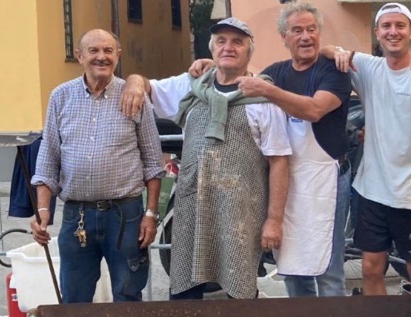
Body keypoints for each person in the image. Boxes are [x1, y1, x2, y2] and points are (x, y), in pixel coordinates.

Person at [121, 17, 291, 300]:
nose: (229, 47)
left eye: (238, 42)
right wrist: (135, 84)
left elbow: (279, 162)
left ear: (249, 52)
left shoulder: (262, 97)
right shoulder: (190, 85)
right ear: (211, 50)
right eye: (221, 41)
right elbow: (146, 85)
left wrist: (274, 220)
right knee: (184, 298)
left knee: (241, 296)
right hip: (192, 211)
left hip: (240, 215)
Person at [327, 2, 411, 296]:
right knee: (371, 267)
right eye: (386, 26)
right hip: (373, 189)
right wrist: (336, 52)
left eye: (400, 25)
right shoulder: (370, 67)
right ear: (377, 33)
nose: (393, 31)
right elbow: (326, 50)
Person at [30, 29, 163, 303]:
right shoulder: (60, 97)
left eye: (108, 51)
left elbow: (152, 162)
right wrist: (42, 210)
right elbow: (48, 158)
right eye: (94, 51)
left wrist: (151, 214)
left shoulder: (135, 97)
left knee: (128, 293)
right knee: (74, 297)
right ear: (79, 56)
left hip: (125, 215)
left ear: (118, 56)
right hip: (77, 214)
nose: (101, 57)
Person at [244, 0, 352, 297]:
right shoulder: (276, 72)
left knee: (328, 268)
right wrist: (210, 66)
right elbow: (241, 84)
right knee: (293, 267)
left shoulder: (335, 70)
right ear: (285, 38)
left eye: (311, 29)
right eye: (297, 31)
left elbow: (315, 110)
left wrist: (268, 90)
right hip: (286, 182)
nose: (306, 37)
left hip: (326, 178)